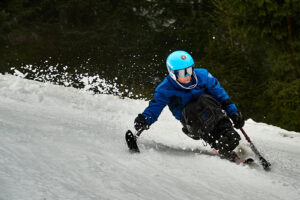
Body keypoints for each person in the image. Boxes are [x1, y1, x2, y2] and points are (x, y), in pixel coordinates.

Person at [134, 50, 245, 161]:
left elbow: (221, 95)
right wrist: (144, 119)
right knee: (196, 105)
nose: (188, 75)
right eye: (182, 73)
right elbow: (155, 107)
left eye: (190, 70)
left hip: (212, 113)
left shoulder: (203, 76)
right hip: (192, 122)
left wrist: (233, 112)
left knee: (205, 100)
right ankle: (217, 143)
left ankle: (227, 135)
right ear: (173, 73)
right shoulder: (165, 88)